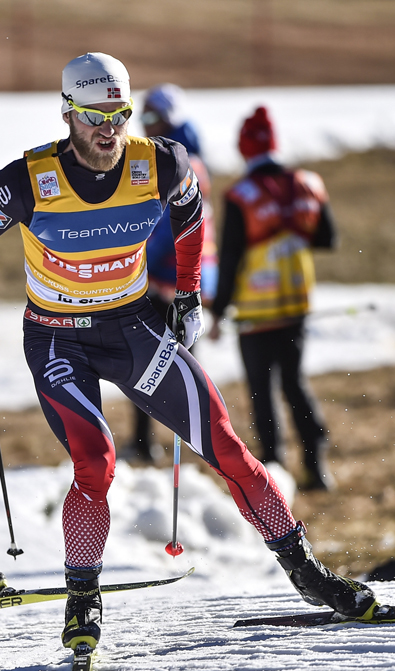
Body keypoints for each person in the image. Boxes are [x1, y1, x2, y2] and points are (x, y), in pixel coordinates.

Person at [0, 53, 376, 659]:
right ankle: (83, 596)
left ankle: (307, 573)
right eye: (95, 115)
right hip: (56, 336)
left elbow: (191, 212)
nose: (109, 128)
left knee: (225, 444)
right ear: (69, 113)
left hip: (130, 328)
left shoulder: (160, 161)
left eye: (118, 113)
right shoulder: (29, 180)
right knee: (95, 462)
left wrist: (189, 294)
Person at [208, 106, 337, 491]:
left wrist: (217, 312)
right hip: (295, 302)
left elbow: (229, 259)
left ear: (245, 149)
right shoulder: (308, 184)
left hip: (255, 311)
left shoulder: (241, 195)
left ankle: (274, 469)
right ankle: (317, 465)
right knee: (295, 383)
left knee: (261, 390)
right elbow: (327, 238)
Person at [124, 83, 217, 464]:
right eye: (139, 116)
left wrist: (132, 262)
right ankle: (200, 438)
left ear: (168, 119)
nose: (142, 125)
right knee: (184, 364)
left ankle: (149, 446)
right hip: (188, 279)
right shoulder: (195, 160)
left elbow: (163, 228)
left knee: (148, 365)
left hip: (164, 279)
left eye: (150, 117)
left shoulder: (172, 165)